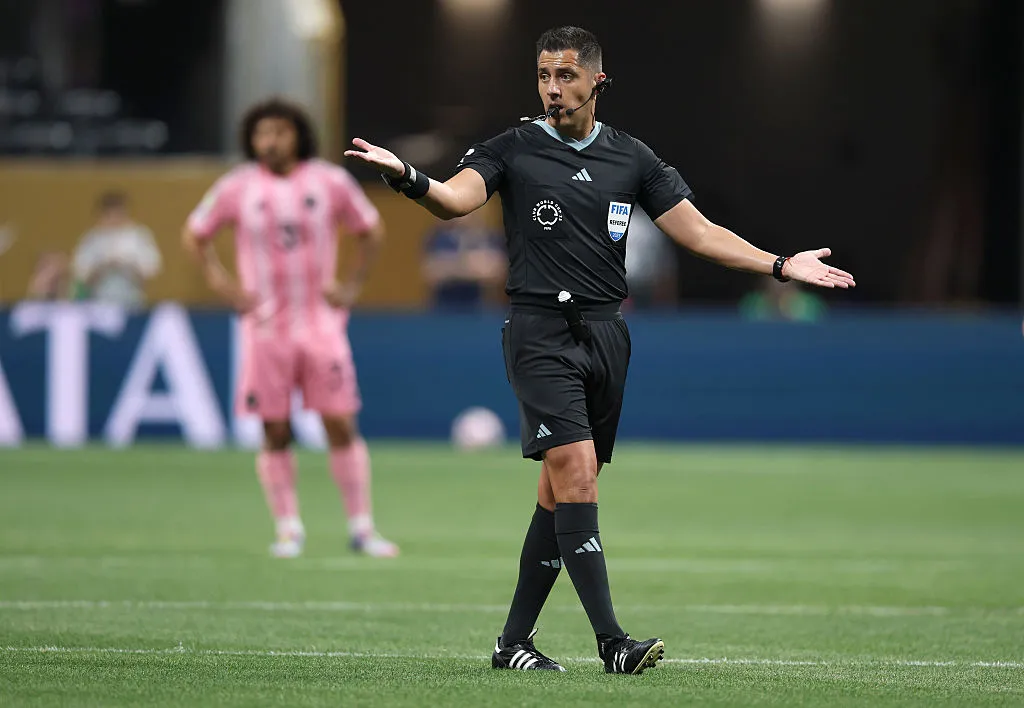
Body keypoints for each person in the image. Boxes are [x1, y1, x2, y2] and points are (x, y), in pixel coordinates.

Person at [345, 26, 855, 674]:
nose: (552, 89)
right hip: (539, 334)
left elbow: (697, 233)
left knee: (559, 494)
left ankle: (511, 645)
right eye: (543, 76)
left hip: (607, 336)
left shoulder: (632, 158)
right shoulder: (514, 147)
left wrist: (780, 265)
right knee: (578, 471)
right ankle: (613, 642)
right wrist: (411, 178)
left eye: (565, 77)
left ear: (596, 80)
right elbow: (455, 197)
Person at [182, 98, 398, 559]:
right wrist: (222, 285)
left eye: (280, 131)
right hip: (264, 328)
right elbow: (195, 233)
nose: (271, 141)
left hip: (321, 324)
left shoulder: (330, 181)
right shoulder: (238, 187)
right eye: (263, 133)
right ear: (251, 140)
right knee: (274, 428)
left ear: (298, 135)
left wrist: (354, 283)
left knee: (339, 421)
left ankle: (362, 528)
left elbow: (372, 228)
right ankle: (288, 529)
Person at [72, 191, 162, 310]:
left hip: (132, 301)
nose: (114, 218)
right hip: (98, 302)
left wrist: (127, 266)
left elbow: (152, 269)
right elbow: (80, 273)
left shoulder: (138, 237)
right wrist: (103, 268)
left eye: (118, 213)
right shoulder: (91, 239)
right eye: (109, 214)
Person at [422, 209, 506, 310]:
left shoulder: (488, 238)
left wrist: (449, 266)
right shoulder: (438, 239)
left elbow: (496, 273)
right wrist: (469, 265)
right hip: (443, 309)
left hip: (478, 309)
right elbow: (431, 274)